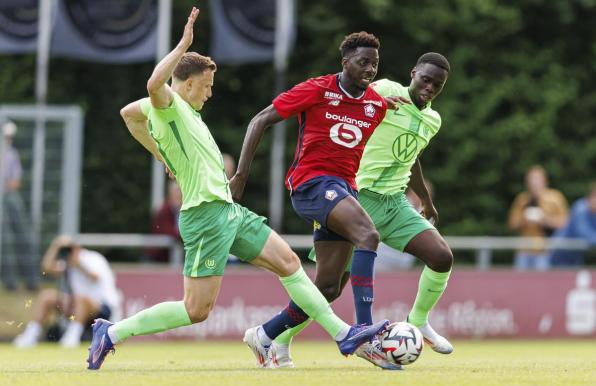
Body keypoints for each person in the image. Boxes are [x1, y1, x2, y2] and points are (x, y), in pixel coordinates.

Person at [88, 7, 389, 371]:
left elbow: (127, 114)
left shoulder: (178, 114)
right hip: (205, 216)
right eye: (207, 85)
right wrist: (183, 45)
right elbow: (153, 88)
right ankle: (112, 332)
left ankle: (343, 335)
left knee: (290, 264)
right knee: (195, 310)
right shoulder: (168, 105)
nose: (211, 93)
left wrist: (157, 152)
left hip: (228, 210)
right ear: (185, 83)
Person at [267, 53, 456, 368]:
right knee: (329, 288)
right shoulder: (383, 89)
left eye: (438, 85)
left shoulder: (432, 120)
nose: (430, 87)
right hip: (356, 197)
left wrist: (424, 197)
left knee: (441, 257)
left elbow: (412, 154)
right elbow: (349, 93)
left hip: (394, 202)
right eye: (426, 79)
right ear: (413, 73)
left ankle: (419, 321)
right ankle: (279, 338)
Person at [230, 32, 405, 369]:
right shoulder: (317, 89)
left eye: (375, 64)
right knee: (369, 236)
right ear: (345, 62)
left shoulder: (376, 105)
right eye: (363, 62)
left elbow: (387, 124)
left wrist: (393, 105)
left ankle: (265, 335)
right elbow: (260, 120)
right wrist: (240, 176)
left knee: (327, 287)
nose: (370, 69)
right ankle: (364, 332)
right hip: (311, 185)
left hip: (343, 191)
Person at [13, 235, 119, 348]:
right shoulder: (68, 263)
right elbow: (46, 267)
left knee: (80, 298)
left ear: (77, 248)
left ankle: (72, 337)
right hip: (77, 307)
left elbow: (95, 276)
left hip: (102, 309)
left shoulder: (93, 258)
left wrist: (78, 265)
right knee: (47, 296)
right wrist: (55, 245)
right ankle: (31, 335)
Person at [0, 120, 38, 291]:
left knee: (25, 237)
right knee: (5, 241)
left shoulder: (11, 153)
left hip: (8, 196)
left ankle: (31, 281)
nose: (8, 139)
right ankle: (11, 283)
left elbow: (15, 182)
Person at [508, 165, 568, 270]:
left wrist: (545, 220)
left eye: (537, 179)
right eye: (531, 179)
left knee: (542, 283)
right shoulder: (522, 200)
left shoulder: (555, 198)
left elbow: (566, 223)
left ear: (545, 180)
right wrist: (524, 220)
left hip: (545, 250)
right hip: (524, 250)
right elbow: (512, 224)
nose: (534, 183)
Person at [550, 182, 596, 267]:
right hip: (560, 251)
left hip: (576, 254)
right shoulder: (580, 208)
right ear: (591, 197)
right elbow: (583, 233)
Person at [145, 180, 183, 263]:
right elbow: (170, 232)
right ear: (170, 194)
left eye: (180, 191)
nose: (179, 194)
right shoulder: (164, 211)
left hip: (170, 256)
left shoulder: (182, 211)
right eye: (176, 192)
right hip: (156, 258)